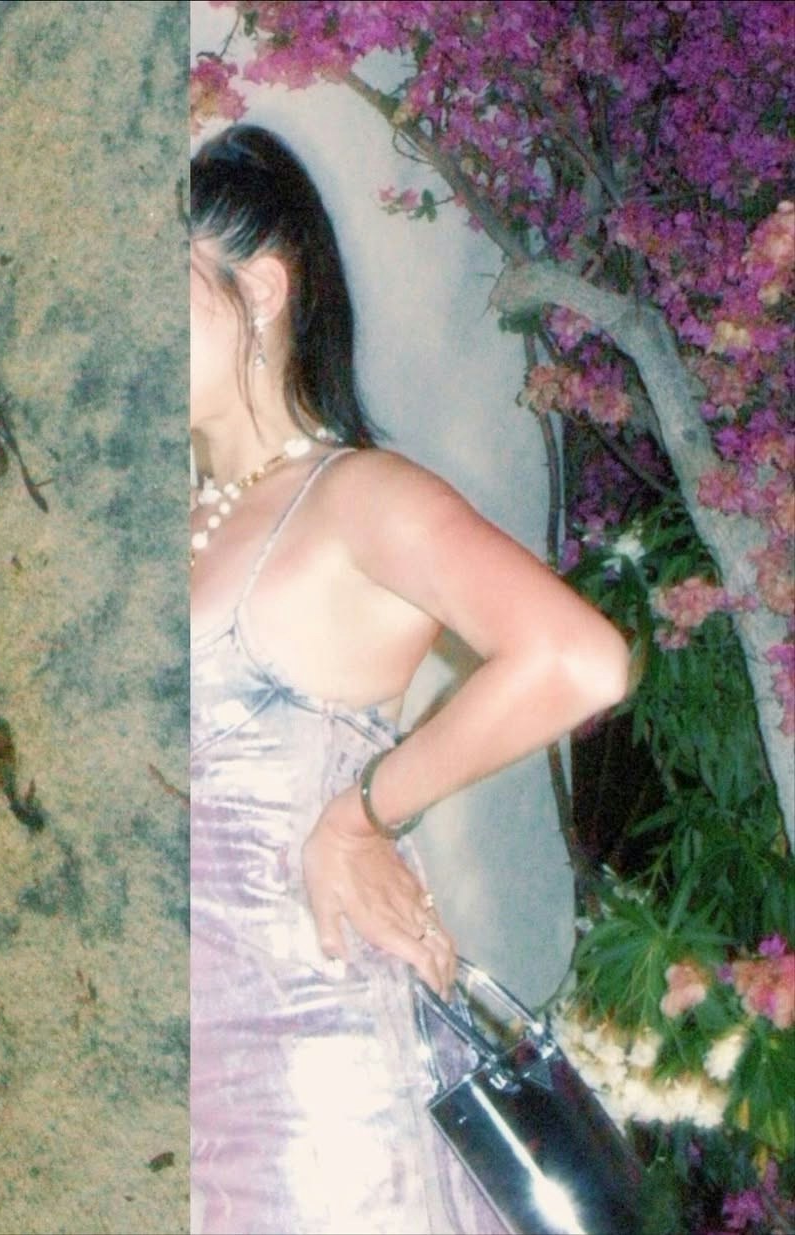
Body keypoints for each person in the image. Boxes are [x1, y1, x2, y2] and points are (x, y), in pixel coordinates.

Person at [189, 124, 630, 1235]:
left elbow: (578, 657)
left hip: (309, 1081)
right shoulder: (185, 522)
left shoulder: (351, 495)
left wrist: (361, 815)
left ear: (261, 289)